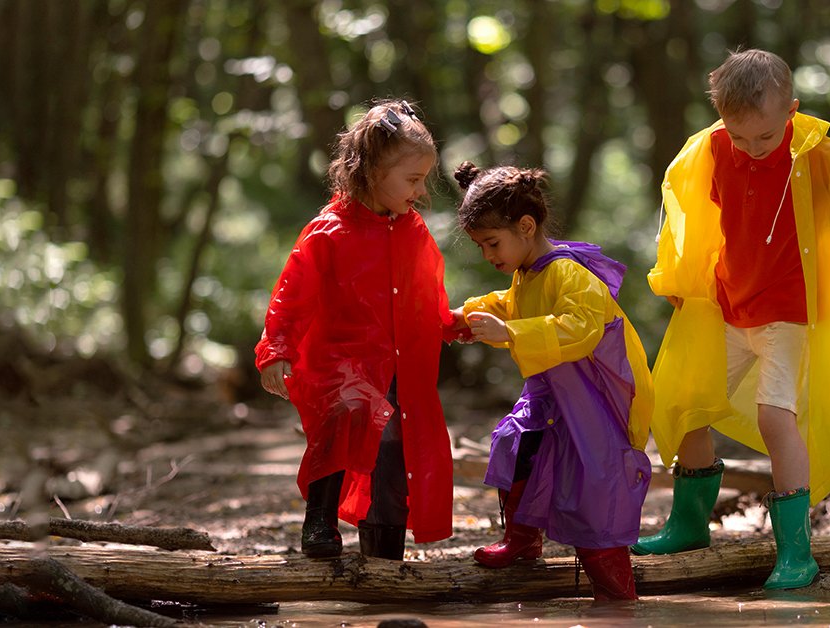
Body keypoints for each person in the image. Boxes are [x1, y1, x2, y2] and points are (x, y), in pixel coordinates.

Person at [634, 49, 830, 591]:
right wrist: (681, 279)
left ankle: (796, 550)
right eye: (741, 137)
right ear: (721, 118)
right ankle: (689, 523)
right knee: (686, 402)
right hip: (728, 304)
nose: (752, 149)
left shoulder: (822, 156)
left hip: (790, 313)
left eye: (765, 137)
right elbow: (684, 212)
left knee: (776, 417)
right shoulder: (709, 150)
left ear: (792, 111)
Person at [256, 100, 462, 560]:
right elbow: (292, 293)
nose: (420, 190)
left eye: (424, 178)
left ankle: (383, 549)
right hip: (341, 363)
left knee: (394, 452)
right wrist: (277, 349)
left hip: (399, 365)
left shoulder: (414, 232)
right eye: (412, 179)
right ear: (371, 171)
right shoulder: (328, 231)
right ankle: (320, 522)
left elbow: (429, 294)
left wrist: (453, 325)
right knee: (347, 416)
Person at [453, 162, 653, 601]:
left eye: (492, 243)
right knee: (515, 446)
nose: (488, 255)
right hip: (552, 393)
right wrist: (464, 317)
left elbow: (580, 328)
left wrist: (511, 334)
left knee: (594, 485)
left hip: (595, 399)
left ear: (526, 226)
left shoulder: (569, 272)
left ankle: (617, 595)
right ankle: (523, 539)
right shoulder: (528, 273)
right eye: (481, 245)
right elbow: (510, 306)